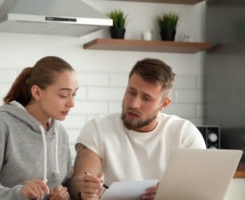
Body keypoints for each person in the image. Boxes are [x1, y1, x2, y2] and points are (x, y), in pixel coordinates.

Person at [69, 58, 206, 200]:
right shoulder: (98, 128)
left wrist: (170, 194)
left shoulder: (185, 134)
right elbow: (79, 181)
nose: (134, 104)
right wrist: (85, 191)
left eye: (146, 98)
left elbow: (200, 191)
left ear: (164, 104)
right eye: (131, 92)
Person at [0, 56, 79, 200]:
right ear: (37, 93)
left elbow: (66, 184)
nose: (72, 103)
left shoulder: (60, 133)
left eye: (74, 94)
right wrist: (20, 194)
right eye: (63, 95)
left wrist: (64, 195)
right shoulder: (2, 125)